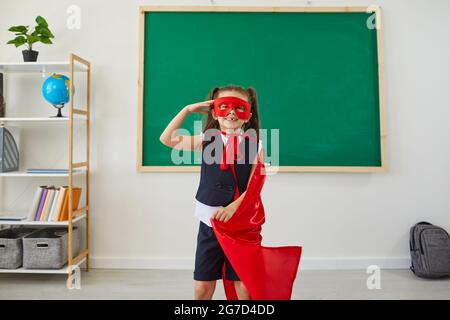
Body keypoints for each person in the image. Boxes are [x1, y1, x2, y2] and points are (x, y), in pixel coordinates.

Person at [160, 85, 264, 300]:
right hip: (209, 223)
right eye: (224, 107)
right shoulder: (207, 139)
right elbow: (167, 139)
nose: (231, 113)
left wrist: (234, 207)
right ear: (215, 113)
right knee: (202, 288)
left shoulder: (255, 145)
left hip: (241, 226)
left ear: (248, 116)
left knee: (243, 286)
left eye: (238, 108)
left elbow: (256, 184)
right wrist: (187, 110)